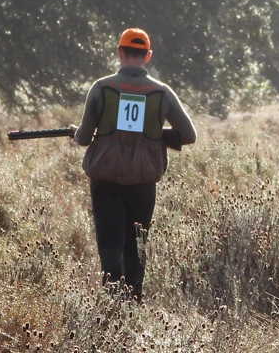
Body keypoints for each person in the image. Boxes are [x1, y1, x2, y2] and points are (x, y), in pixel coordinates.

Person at [71, 28, 196, 303]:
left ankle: (112, 301)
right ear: (148, 56)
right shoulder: (161, 92)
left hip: (105, 179)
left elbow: (82, 138)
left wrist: (77, 131)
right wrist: (153, 137)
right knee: (136, 245)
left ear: (120, 53)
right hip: (143, 181)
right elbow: (189, 136)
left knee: (110, 243)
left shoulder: (101, 87)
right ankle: (133, 303)